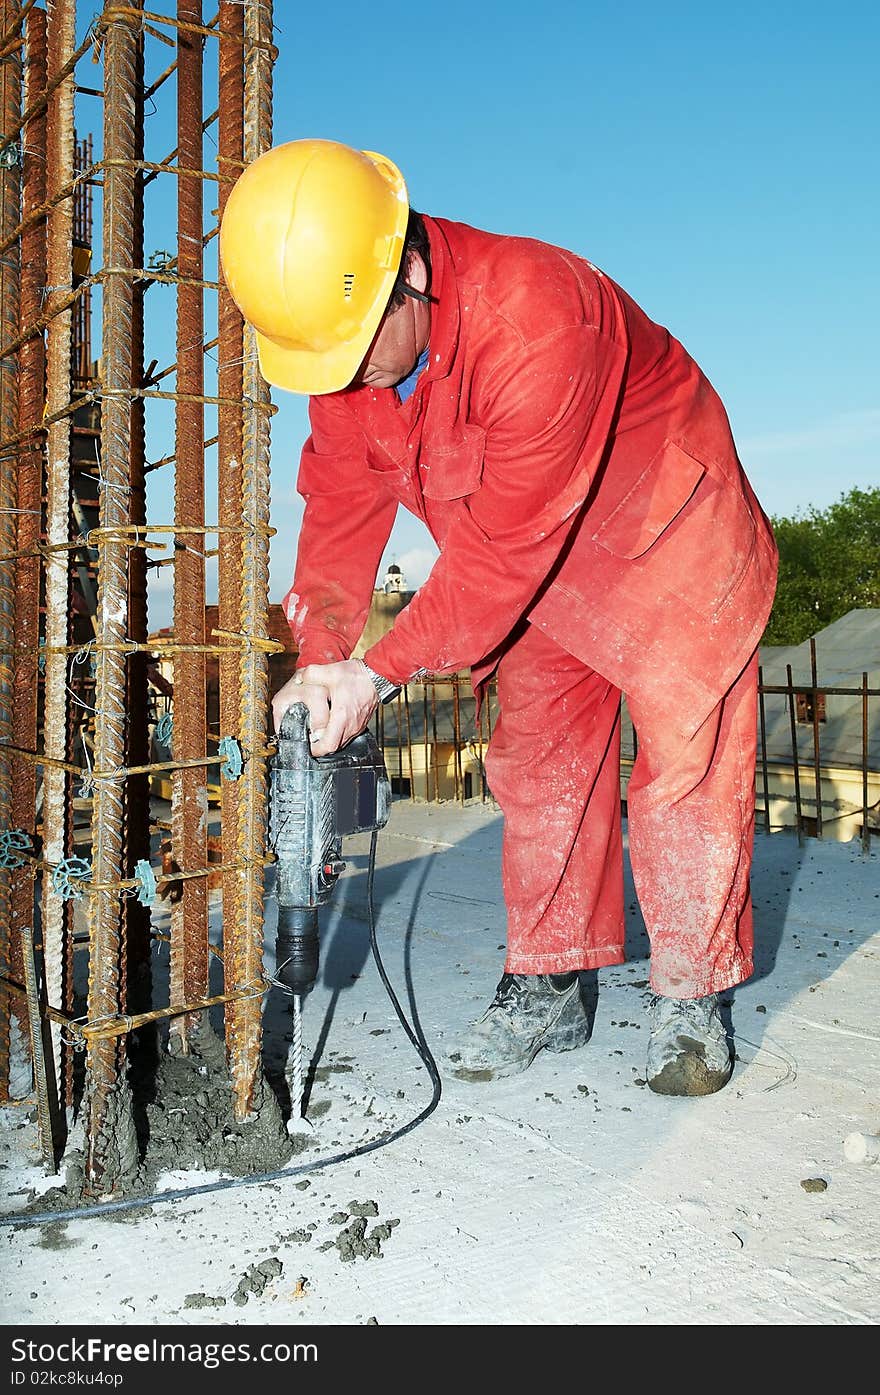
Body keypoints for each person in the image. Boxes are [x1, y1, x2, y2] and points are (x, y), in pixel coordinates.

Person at [219, 138, 778, 1096]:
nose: (340, 382)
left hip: (666, 531)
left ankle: (689, 995)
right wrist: (321, 656)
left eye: (349, 356)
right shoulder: (350, 359)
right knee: (541, 757)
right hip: (533, 559)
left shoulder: (536, 311)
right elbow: (343, 505)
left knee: (686, 764)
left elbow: (498, 554)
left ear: (411, 279)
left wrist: (379, 669)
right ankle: (553, 979)